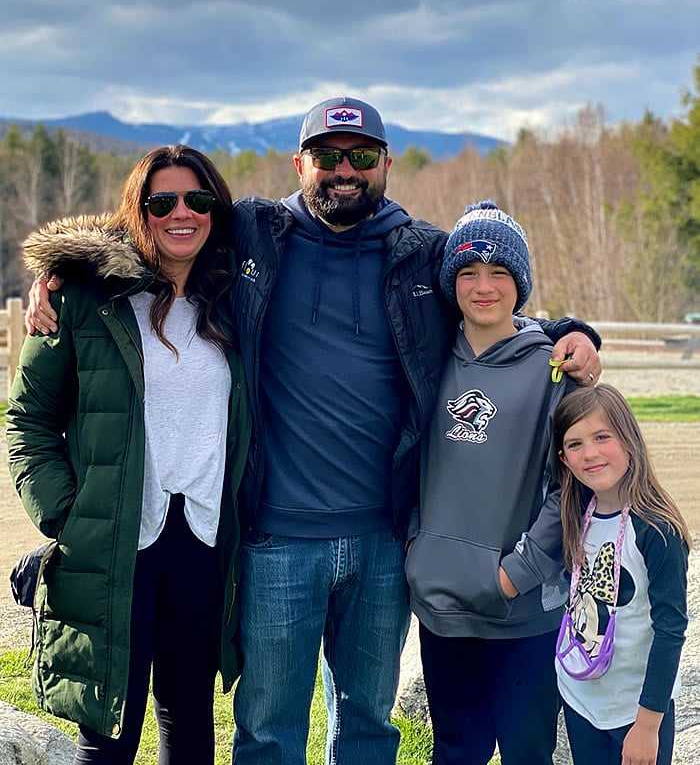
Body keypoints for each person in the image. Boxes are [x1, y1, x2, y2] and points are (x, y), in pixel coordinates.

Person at [26, 97, 602, 765]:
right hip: (275, 540)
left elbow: (494, 294)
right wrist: (65, 267)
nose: (344, 171)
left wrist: (571, 332)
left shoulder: (421, 255)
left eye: (361, 156)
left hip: (384, 541)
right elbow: (164, 225)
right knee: (267, 732)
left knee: (365, 730)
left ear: (385, 164)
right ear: (300, 163)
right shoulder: (253, 236)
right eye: (328, 156)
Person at [7, 145, 250, 765]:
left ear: (214, 210)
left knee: (190, 722)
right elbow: (27, 419)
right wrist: (67, 516)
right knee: (108, 733)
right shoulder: (85, 299)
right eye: (161, 201)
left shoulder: (234, 302)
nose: (181, 214)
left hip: (201, 541)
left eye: (197, 201)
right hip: (114, 542)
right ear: (137, 210)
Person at [405, 201, 578, 765]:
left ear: (520, 283)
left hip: (522, 611)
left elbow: (569, 488)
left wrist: (514, 575)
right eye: (468, 273)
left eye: (499, 273)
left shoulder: (554, 369)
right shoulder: (424, 362)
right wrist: (418, 554)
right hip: (443, 605)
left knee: (528, 751)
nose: (483, 287)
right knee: (457, 750)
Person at [553, 384, 690, 765]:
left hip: (637, 711)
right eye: (575, 444)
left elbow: (670, 629)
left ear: (629, 440)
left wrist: (647, 727)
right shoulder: (575, 514)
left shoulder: (658, 530)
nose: (590, 453)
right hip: (582, 701)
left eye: (602, 437)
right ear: (563, 458)